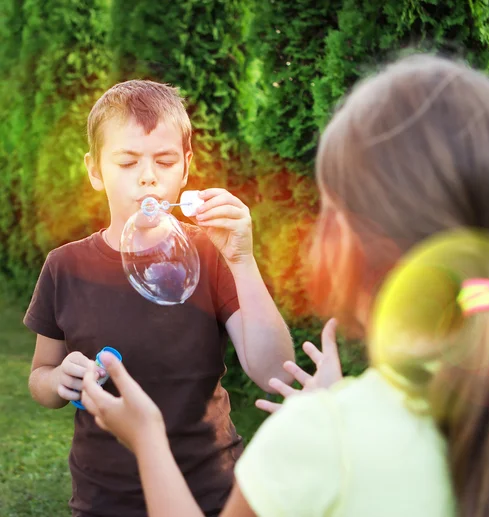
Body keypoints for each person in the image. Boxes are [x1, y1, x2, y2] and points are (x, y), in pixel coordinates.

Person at [81, 55, 489, 516]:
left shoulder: (317, 440)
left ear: (345, 248)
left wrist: (147, 439)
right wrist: (340, 402)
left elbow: (332, 428)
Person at [24, 79, 294, 517]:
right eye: (127, 161)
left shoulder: (211, 253)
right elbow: (40, 376)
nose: (148, 176)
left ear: (185, 169)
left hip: (210, 490)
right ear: (95, 171)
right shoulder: (65, 266)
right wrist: (58, 381)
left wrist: (243, 260)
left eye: (164, 161)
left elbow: (273, 373)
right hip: (105, 499)